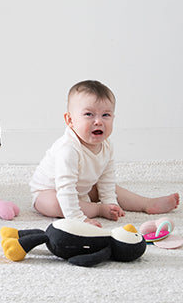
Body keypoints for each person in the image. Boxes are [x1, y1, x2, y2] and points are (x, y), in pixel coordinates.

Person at [30, 80, 179, 227]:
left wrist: (111, 203)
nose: (98, 121)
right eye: (89, 114)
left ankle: (146, 203)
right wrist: (78, 218)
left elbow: (106, 178)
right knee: (53, 203)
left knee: (112, 188)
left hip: (82, 188)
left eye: (105, 115)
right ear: (70, 120)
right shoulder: (68, 149)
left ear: (113, 117)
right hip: (50, 191)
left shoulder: (106, 146)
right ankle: (97, 209)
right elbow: (65, 188)